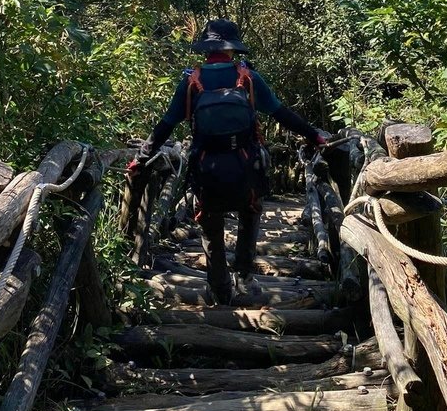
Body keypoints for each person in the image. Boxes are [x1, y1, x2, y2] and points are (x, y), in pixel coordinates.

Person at [128, 19, 328, 305]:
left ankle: (218, 287)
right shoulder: (247, 78)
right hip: (245, 164)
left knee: (210, 220)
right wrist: (314, 136)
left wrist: (141, 157)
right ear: (232, 49)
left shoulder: (191, 82)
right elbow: (281, 113)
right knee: (250, 213)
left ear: (206, 50)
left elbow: (166, 125)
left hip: (206, 165)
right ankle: (245, 278)